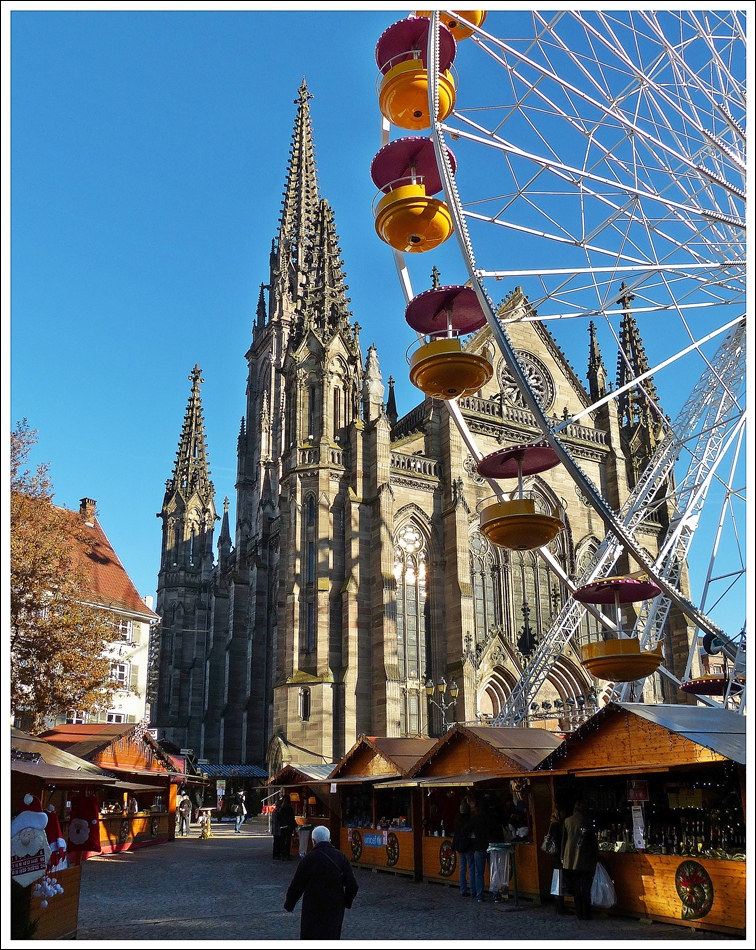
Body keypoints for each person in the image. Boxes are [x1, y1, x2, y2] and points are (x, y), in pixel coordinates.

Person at [284, 824, 359, 940]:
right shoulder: (340, 857)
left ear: (313, 841)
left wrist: (290, 903)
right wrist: (346, 902)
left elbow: (297, 884)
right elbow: (352, 885)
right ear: (329, 840)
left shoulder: (309, 858)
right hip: (335, 905)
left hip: (313, 906)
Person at [561, 798, 598, 920]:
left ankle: (579, 912)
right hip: (585, 858)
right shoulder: (587, 822)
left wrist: (563, 856)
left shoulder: (567, 821)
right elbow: (593, 841)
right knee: (586, 887)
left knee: (576, 888)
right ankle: (587, 912)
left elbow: (564, 841)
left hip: (570, 858)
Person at [468, 798, 491, 903]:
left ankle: (480, 895)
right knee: (493, 871)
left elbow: (466, 830)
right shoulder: (491, 818)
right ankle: (496, 894)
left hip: (479, 847)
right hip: (490, 847)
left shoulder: (476, 818)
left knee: (479, 873)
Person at [451, 800, 475, 897]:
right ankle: (473, 890)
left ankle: (463, 889)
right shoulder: (469, 820)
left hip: (460, 846)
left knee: (462, 868)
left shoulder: (457, 821)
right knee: (471, 868)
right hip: (468, 845)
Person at [547, 803, 567, 915]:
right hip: (557, 856)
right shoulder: (556, 825)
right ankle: (560, 905)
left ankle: (559, 905)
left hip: (556, 856)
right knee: (559, 880)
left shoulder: (554, 824)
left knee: (558, 879)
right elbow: (558, 842)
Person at [278, 794, 296, 861]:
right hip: (289, 826)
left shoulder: (281, 808)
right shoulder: (290, 808)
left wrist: (281, 823)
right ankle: (287, 854)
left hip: (282, 826)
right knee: (288, 841)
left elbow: (278, 817)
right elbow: (292, 818)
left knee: (282, 840)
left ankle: (282, 854)